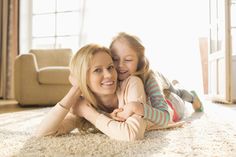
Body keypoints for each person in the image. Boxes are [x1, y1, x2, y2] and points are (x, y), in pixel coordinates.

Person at [34, 43, 183, 141]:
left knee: (178, 95)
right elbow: (44, 133)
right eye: (98, 70)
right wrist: (74, 92)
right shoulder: (83, 103)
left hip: (170, 106)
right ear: (82, 78)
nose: (109, 75)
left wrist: (88, 113)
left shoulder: (132, 83)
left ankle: (179, 87)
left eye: (110, 67)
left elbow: (131, 135)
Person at [109, 32, 204, 124]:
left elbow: (166, 117)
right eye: (115, 59)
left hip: (162, 84)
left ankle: (192, 96)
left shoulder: (150, 79)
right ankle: (176, 83)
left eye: (128, 60)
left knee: (177, 93)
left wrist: (137, 107)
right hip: (161, 87)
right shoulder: (110, 79)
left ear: (139, 62)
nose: (120, 65)